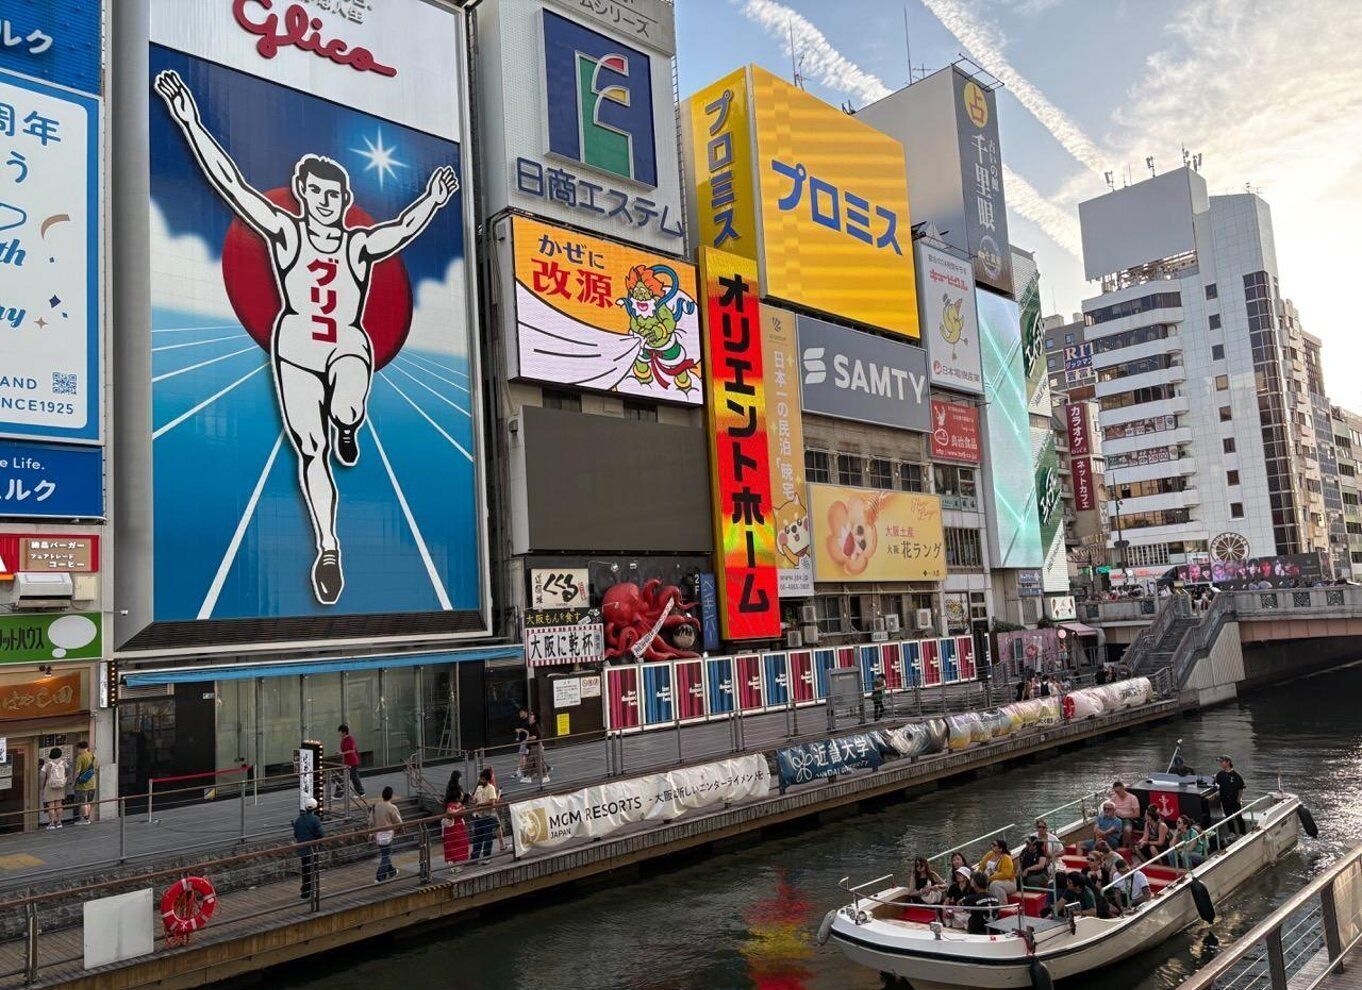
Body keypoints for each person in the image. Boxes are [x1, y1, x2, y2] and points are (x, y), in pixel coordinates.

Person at [154, 70, 459, 606]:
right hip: (294, 343)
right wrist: (191, 122)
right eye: (315, 191)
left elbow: (402, 231)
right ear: (302, 194)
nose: (324, 200)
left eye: (333, 193)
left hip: (345, 340)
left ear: (344, 199)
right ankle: (328, 546)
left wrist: (433, 201)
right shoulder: (286, 231)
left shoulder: (358, 245)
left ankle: (349, 422)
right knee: (310, 450)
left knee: (344, 404)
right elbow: (232, 185)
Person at [293, 796, 323, 899]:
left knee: (305, 870)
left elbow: (296, 834)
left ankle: (305, 891)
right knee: (313, 870)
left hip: (302, 849)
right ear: (315, 808)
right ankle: (312, 891)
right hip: (313, 849)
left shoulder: (298, 820)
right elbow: (321, 834)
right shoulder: (316, 819)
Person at [441, 772, 471, 874]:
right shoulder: (455, 804)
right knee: (458, 844)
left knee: (453, 845)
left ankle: (453, 865)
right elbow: (450, 811)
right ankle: (455, 865)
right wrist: (459, 810)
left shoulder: (451, 790)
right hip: (456, 827)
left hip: (454, 827)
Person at [371, 786, 402, 882]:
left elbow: (371, 820)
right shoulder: (392, 807)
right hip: (388, 833)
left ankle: (392, 871)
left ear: (382, 795)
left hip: (378, 833)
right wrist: (399, 829)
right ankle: (379, 877)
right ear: (391, 796)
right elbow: (398, 821)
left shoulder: (376, 806)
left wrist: (372, 832)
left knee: (385, 853)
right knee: (386, 855)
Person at [470, 768, 501, 861]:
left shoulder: (491, 788)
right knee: (477, 838)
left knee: (488, 838)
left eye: (483, 779)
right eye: (481, 779)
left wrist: (482, 804)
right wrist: (473, 800)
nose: (481, 781)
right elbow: (474, 799)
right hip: (479, 816)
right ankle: (474, 857)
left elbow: (493, 802)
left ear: (487, 780)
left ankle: (487, 857)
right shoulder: (479, 788)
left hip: (488, 817)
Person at [1214, 755, 1247, 837]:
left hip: (1234, 800)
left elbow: (1240, 788)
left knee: (1238, 817)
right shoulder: (1220, 774)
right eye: (1220, 762)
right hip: (1225, 800)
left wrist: (1239, 799)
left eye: (1222, 762)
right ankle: (1232, 833)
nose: (1221, 764)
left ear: (1228, 762)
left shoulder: (1236, 775)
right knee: (1228, 817)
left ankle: (1242, 833)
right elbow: (1217, 783)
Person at [39, 747, 67, 830]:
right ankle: (59, 822)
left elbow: (42, 776)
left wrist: (41, 788)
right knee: (59, 804)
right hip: (61, 785)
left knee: (51, 805)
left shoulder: (47, 764)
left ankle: (51, 823)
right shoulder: (64, 763)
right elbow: (68, 772)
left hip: (50, 785)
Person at [1109, 780, 1143, 846]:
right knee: (1102, 825)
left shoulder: (1133, 798)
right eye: (1116, 792)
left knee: (1127, 830)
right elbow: (1110, 809)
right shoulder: (1114, 798)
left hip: (1127, 819)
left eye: (1118, 791)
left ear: (1123, 788)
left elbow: (1137, 814)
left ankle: (1124, 847)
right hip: (1115, 818)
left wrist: (1124, 815)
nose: (1117, 793)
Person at [73, 741, 98, 825]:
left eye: (78, 749)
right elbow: (96, 767)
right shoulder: (93, 756)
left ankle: (84, 819)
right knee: (89, 802)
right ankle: (88, 818)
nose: (77, 751)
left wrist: (74, 782)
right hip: (92, 782)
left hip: (82, 783)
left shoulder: (80, 757)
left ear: (80, 748)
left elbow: (78, 771)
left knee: (82, 802)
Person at [337, 724, 365, 799]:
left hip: (352, 761)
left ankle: (360, 792)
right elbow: (344, 750)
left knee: (354, 777)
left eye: (339, 732)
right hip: (346, 762)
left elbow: (352, 750)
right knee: (343, 777)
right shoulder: (343, 740)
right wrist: (340, 752)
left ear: (344, 732)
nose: (338, 733)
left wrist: (341, 753)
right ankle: (339, 794)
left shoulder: (350, 739)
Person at [514, 708, 533, 781]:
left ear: (525, 713)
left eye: (521, 712)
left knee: (522, 755)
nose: (520, 714)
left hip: (526, 741)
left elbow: (528, 731)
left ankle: (521, 770)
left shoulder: (528, 721)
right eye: (520, 713)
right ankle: (521, 770)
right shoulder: (521, 721)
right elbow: (518, 729)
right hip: (523, 740)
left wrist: (521, 730)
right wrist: (518, 732)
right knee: (524, 755)